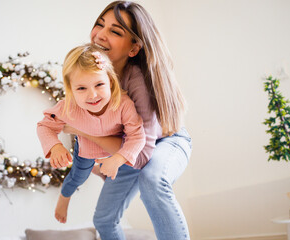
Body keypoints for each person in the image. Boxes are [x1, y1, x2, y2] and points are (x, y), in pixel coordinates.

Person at [62, 1, 193, 239]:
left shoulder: (137, 81)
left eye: (115, 31)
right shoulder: (92, 82)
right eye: (100, 25)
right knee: (103, 219)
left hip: (166, 141)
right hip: (131, 149)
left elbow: (142, 155)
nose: (100, 35)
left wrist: (92, 136)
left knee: (152, 180)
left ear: (133, 48)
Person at [37, 43, 146, 224]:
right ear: (71, 89)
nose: (93, 95)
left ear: (110, 81)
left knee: (130, 172)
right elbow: (44, 126)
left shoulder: (123, 104)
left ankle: (100, 167)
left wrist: (117, 159)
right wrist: (55, 146)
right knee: (78, 177)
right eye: (81, 88)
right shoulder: (68, 107)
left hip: (115, 150)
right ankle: (65, 197)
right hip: (86, 149)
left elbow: (138, 136)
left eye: (99, 84)